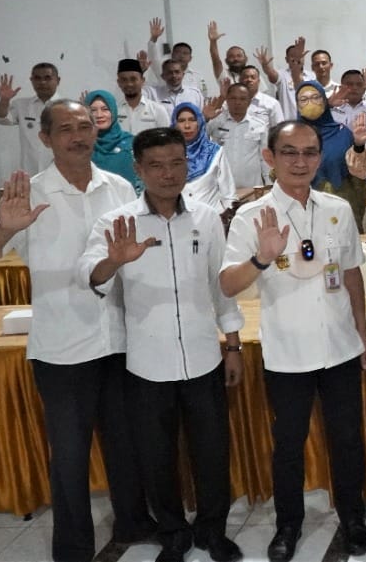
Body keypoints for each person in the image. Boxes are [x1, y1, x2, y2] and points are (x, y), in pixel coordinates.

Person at [0, 100, 154, 562]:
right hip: (62, 348)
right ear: (45, 138)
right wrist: (1, 230)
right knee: (70, 458)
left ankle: (133, 521)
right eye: (66, 129)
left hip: (120, 338)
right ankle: (73, 549)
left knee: (126, 442)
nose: (79, 135)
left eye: (85, 126)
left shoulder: (117, 187)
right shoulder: (27, 194)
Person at [78, 127, 244, 562]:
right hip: (147, 364)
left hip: (204, 358)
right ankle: (172, 531)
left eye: (176, 163)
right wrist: (114, 260)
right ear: (138, 169)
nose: (168, 174)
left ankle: (213, 531)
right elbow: (89, 274)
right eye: (156, 165)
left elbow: (219, 285)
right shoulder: (118, 224)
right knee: (157, 457)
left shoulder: (207, 218)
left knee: (212, 454)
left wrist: (233, 344)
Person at [219, 120, 366, 562]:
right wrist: (261, 257)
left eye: (309, 152)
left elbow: (349, 275)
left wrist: (362, 335)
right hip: (287, 352)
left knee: (347, 439)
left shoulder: (336, 208)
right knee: (288, 444)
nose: (301, 161)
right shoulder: (252, 216)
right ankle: (288, 524)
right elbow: (228, 284)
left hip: (341, 346)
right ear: (270, 158)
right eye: (290, 152)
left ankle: (353, 516)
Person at [294, 80, 362, 229]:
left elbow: (359, 175)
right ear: (297, 105)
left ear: (324, 101)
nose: (310, 103)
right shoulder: (290, 137)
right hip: (304, 213)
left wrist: (359, 146)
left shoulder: (343, 133)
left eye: (316, 97)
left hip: (342, 212)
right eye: (303, 99)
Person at [0, 62, 60, 174]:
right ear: (32, 81)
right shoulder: (21, 105)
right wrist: (4, 100)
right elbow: (0, 118)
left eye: (47, 78)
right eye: (37, 78)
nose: (42, 82)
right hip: (30, 173)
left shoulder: (68, 107)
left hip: (60, 173)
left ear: (58, 80)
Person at [172, 102, 236, 214]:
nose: (187, 126)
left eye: (192, 120)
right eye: (181, 121)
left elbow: (229, 195)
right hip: (179, 221)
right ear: (174, 125)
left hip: (213, 220)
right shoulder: (167, 155)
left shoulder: (215, 152)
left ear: (200, 122)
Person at [208, 82, 272, 189]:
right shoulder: (215, 123)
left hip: (252, 187)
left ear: (249, 102)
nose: (237, 102)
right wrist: (204, 118)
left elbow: (265, 158)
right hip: (221, 187)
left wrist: (269, 184)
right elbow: (197, 139)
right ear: (227, 100)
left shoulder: (259, 125)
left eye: (242, 99)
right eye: (233, 98)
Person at [86, 90, 140, 192]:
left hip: (129, 203)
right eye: (93, 110)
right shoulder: (82, 146)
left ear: (114, 111)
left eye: (105, 109)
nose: (99, 115)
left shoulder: (132, 143)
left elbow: (141, 181)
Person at [115, 58, 170, 135]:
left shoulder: (157, 110)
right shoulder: (114, 111)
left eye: (133, 79)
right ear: (119, 83)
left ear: (142, 80)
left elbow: (167, 141)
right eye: (124, 80)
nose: (129, 84)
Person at [206, 20, 249, 89]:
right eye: (231, 56)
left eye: (239, 56)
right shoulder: (224, 75)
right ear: (226, 61)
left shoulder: (253, 74)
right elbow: (215, 60)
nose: (235, 59)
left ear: (246, 58)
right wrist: (213, 41)